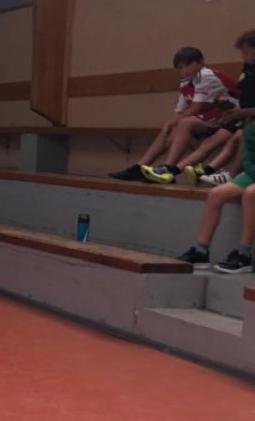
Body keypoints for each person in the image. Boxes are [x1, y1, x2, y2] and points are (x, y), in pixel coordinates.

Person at [107, 47, 235, 183]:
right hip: (211, 117)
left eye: (189, 65)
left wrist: (174, 122)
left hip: (230, 116)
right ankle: (140, 166)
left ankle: (168, 169)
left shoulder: (205, 75)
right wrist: (170, 125)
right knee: (171, 127)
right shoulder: (185, 82)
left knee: (185, 123)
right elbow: (180, 112)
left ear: (201, 63)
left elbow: (194, 109)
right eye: (180, 68)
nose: (185, 70)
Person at [174, 119, 255, 274]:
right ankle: (201, 251)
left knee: (250, 194)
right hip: (252, 173)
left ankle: (244, 254)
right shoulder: (252, 129)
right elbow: (248, 158)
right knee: (216, 194)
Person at [194, 30, 255, 187]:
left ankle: (234, 177)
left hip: (249, 118)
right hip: (246, 116)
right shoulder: (249, 68)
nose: (243, 57)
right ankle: (211, 171)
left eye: (246, 52)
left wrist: (241, 113)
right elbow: (243, 93)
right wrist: (231, 110)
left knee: (243, 134)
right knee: (237, 136)